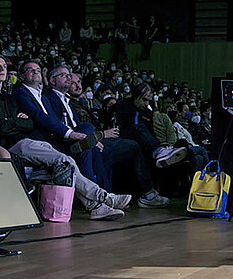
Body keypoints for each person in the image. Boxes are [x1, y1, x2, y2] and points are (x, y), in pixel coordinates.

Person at [0, 55, 131, 220]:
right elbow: (1, 127)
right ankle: (104, 197)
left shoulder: (9, 97)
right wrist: (16, 121)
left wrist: (12, 122)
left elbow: (29, 124)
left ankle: (96, 206)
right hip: (9, 145)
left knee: (67, 163)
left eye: (4, 65)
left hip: (25, 141)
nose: (3, 68)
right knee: (65, 160)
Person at [42, 65, 169, 208]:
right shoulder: (50, 99)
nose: (74, 83)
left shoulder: (71, 102)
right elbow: (58, 125)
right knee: (131, 137)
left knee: (129, 147)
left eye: (77, 81)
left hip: (92, 139)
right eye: (69, 80)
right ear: (52, 81)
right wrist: (99, 135)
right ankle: (104, 198)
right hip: (77, 141)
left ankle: (109, 196)